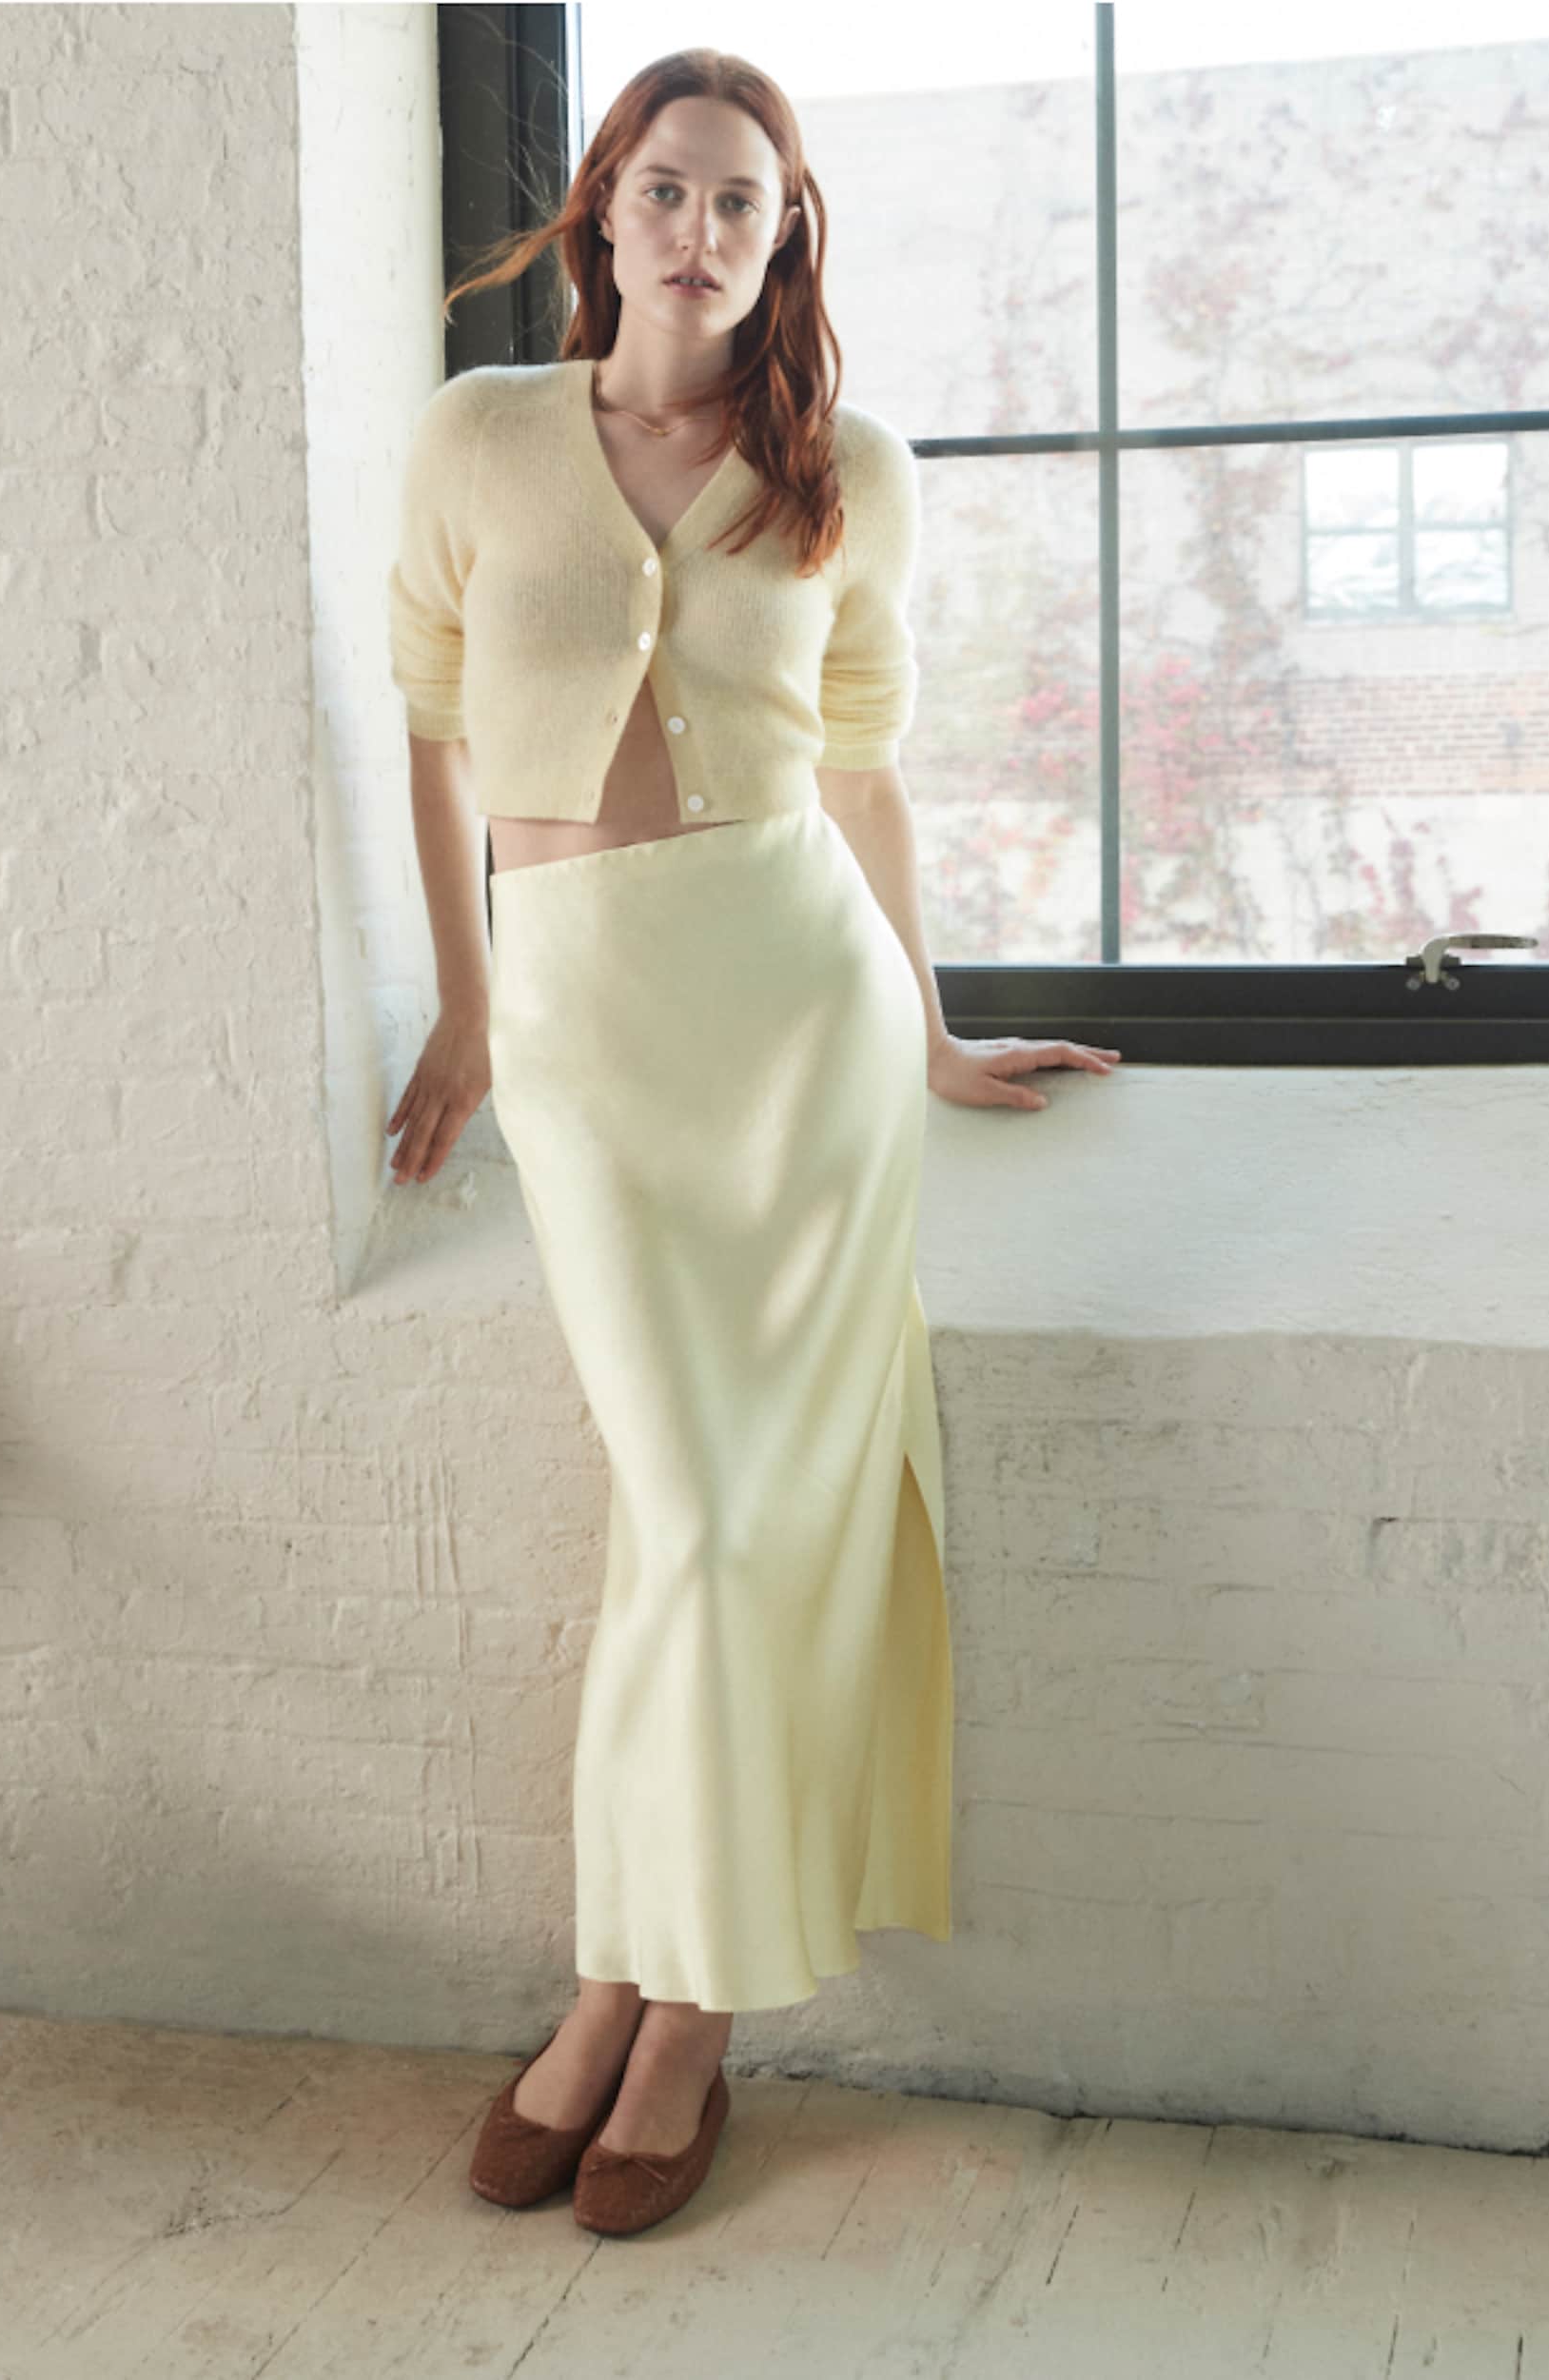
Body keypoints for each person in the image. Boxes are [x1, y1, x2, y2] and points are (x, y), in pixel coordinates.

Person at [384, 47, 1122, 2236]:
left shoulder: (846, 470)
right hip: (587, 1018)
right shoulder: (476, 438)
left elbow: (868, 773)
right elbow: (426, 731)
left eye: (749, 199)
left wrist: (936, 1025)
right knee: (693, 1518)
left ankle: (654, 2015)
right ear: (602, 209)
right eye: (670, 189)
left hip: (797, 1018)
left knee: (723, 1531)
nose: (703, 228)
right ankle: (637, 1966)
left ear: (785, 230)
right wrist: (464, 1008)